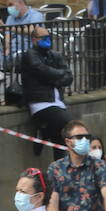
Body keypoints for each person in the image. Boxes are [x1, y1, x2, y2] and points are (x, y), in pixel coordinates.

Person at [18, 26, 73, 155]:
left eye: (48, 37)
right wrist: (58, 75)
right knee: (68, 125)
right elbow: (41, 70)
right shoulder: (30, 55)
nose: (47, 40)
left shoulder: (55, 55)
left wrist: (53, 77)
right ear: (34, 39)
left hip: (58, 102)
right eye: (43, 38)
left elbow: (68, 76)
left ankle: (59, 170)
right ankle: (44, 132)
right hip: (41, 104)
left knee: (59, 139)